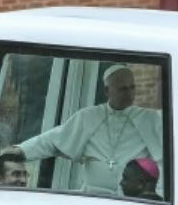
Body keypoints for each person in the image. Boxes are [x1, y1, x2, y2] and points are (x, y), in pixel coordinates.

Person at [19, 65, 163, 194]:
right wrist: (20, 151)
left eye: (132, 87)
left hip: (132, 200)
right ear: (107, 91)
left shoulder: (152, 119)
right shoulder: (88, 117)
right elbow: (51, 141)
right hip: (93, 197)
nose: (130, 94)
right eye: (123, 89)